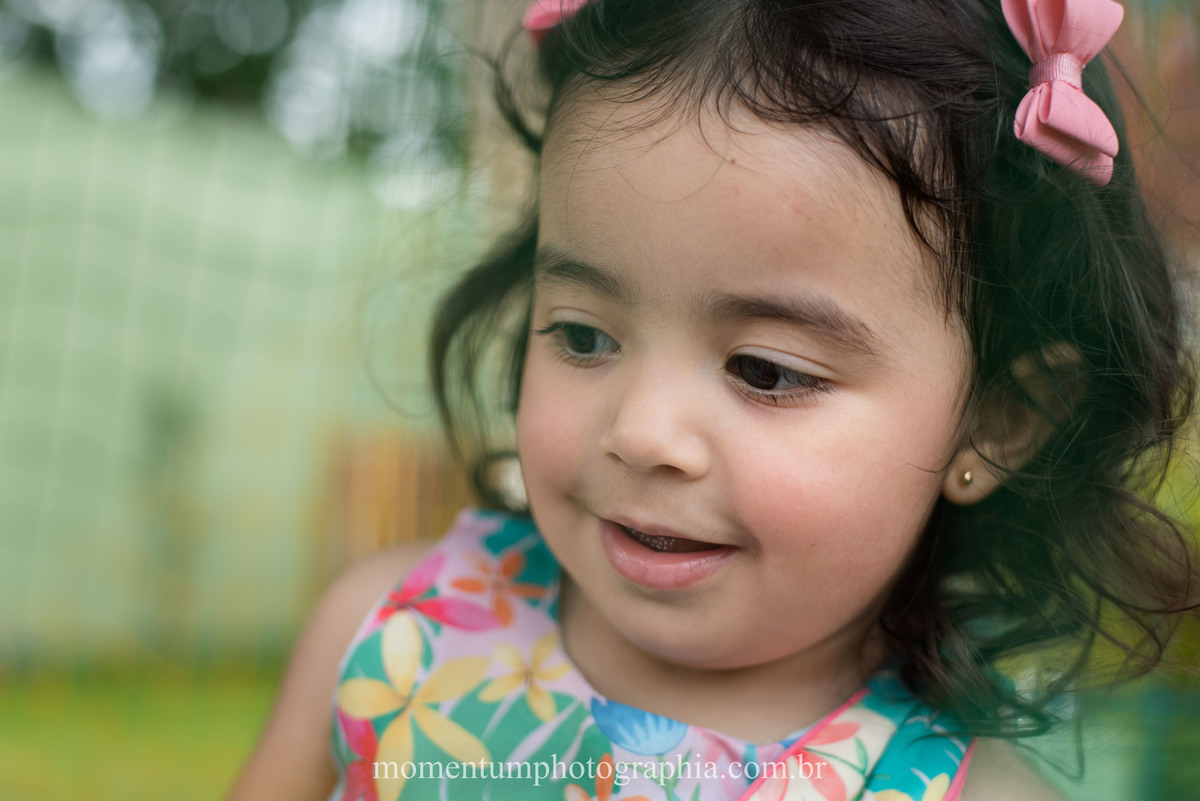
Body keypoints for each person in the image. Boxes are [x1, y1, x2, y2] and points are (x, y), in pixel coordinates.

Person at [227, 1, 1198, 799]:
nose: (643, 434)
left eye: (766, 371)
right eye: (583, 336)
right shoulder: (387, 641)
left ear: (1001, 417)